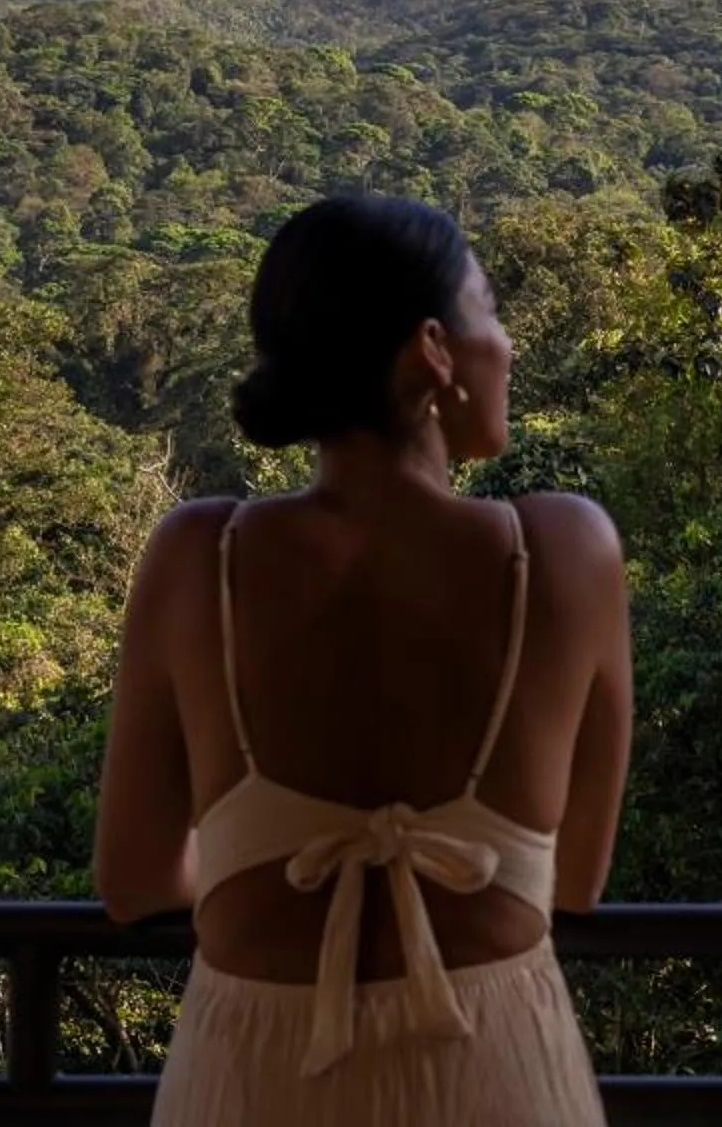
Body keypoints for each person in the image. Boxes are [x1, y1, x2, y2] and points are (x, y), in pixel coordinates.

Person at [93, 193, 633, 1124]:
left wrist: (265, 864)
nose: (507, 345)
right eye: (490, 310)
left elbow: (136, 882)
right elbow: (576, 879)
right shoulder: (565, 550)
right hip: (494, 1069)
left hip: (254, 1075)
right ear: (434, 349)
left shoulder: (198, 557)